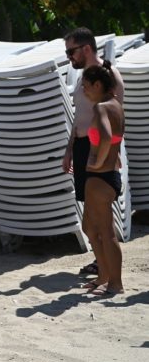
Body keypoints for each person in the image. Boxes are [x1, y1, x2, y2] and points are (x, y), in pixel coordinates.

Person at [61, 27, 124, 278]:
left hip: (98, 148)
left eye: (71, 51)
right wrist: (69, 150)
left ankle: (108, 273)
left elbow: (116, 117)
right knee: (89, 218)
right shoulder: (83, 78)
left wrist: (109, 154)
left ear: (86, 48)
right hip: (82, 146)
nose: (69, 58)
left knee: (101, 220)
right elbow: (79, 118)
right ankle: (102, 266)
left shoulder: (109, 76)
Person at [79, 63, 125, 296]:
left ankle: (115, 283)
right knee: (89, 228)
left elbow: (106, 137)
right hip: (108, 176)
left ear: (98, 85)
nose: (84, 90)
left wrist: (97, 163)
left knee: (106, 232)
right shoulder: (116, 104)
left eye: (86, 86)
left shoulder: (101, 108)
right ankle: (104, 276)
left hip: (100, 177)